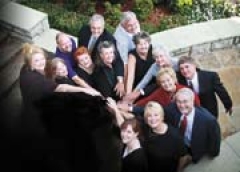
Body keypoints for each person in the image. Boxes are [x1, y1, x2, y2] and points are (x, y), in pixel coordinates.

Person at [165, 88, 221, 163]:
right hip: (182, 145)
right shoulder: (172, 109)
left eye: (185, 101)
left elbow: (215, 139)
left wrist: (214, 153)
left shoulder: (208, 120)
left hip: (198, 149)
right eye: (178, 101)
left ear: (192, 101)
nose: (181, 105)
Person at [117, 67, 200, 116]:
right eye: (163, 82)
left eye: (168, 80)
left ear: (173, 79)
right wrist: (130, 106)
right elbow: (146, 100)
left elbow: (198, 108)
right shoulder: (161, 91)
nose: (166, 84)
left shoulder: (186, 91)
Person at [143, 101, 190, 172]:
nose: (153, 119)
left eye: (156, 115)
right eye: (149, 116)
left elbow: (184, 156)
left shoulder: (174, 136)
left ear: (162, 116)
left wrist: (179, 170)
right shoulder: (146, 128)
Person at [106, 98, 148, 172]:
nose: (124, 134)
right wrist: (115, 109)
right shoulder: (131, 140)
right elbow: (121, 124)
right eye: (123, 131)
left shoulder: (137, 159)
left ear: (136, 133)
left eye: (129, 132)